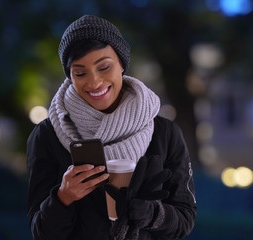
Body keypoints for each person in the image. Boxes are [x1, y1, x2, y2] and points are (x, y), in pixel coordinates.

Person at [26, 15, 196, 240]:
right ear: (70, 76)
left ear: (122, 64)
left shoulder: (164, 133)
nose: (94, 82)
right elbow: (41, 233)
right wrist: (63, 197)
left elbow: (185, 218)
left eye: (104, 67)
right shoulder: (47, 135)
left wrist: (153, 214)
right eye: (80, 73)